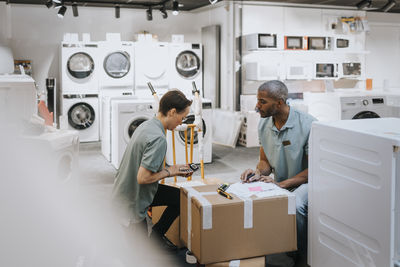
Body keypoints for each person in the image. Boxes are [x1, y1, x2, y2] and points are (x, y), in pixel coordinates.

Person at [240, 80, 316, 263]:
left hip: (308, 183)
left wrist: (281, 184)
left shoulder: (308, 124)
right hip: (281, 181)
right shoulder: (263, 124)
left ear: (280, 102)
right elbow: (265, 161)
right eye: (258, 100)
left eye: (262, 101)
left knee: (296, 204)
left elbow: (314, 170)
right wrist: (258, 173)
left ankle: (301, 254)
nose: (257, 106)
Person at [112, 90, 193, 249]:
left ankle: (155, 240)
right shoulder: (158, 138)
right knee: (140, 257)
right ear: (172, 112)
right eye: (181, 118)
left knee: (179, 198)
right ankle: (150, 246)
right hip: (132, 202)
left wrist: (173, 168)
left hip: (124, 192)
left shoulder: (147, 125)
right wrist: (171, 172)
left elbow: (145, 165)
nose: (181, 123)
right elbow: (143, 178)